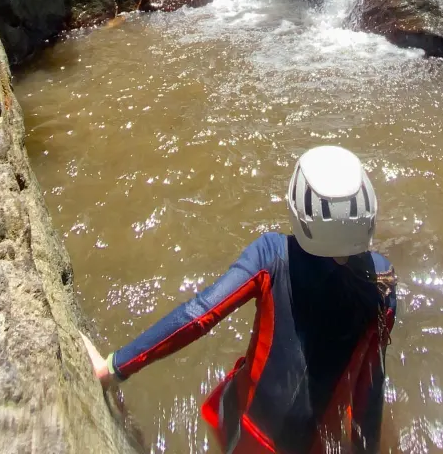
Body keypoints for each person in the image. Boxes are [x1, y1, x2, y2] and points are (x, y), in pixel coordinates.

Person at [82, 146, 397, 454]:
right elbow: (371, 384)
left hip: (247, 431)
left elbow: (200, 314)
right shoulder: (383, 281)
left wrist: (114, 367)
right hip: (311, 444)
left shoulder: (272, 254)